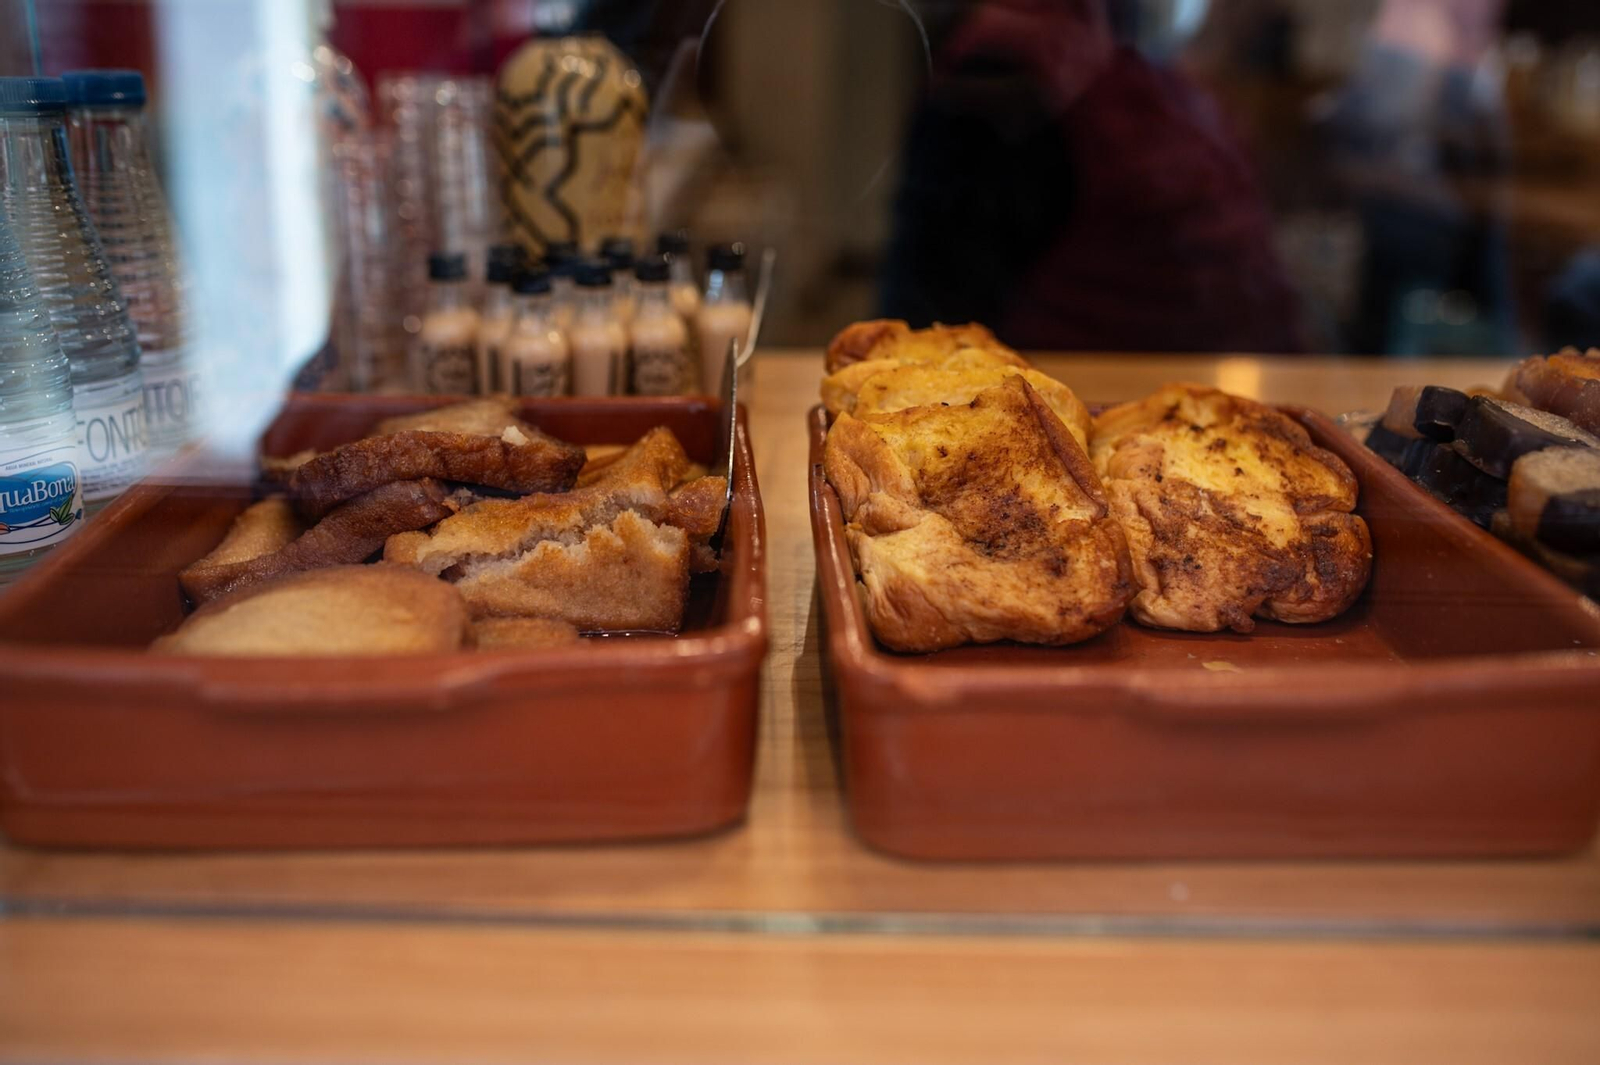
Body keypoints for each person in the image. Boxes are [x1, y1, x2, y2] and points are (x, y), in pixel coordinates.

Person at [879, 0, 1304, 354]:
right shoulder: (1004, 69)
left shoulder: (1106, 48)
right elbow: (938, 290)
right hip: (1085, 383)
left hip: (1193, 378)